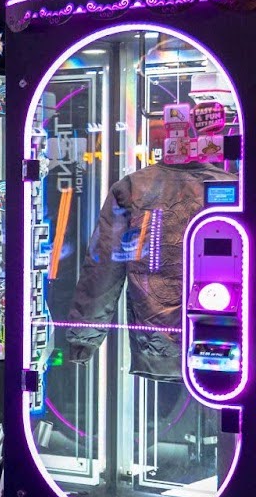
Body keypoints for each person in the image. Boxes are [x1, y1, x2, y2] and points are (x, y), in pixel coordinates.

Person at [66, 101, 232, 379]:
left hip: (156, 344)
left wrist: (83, 338)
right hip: (220, 337)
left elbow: (102, 269)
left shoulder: (133, 188)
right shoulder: (232, 187)